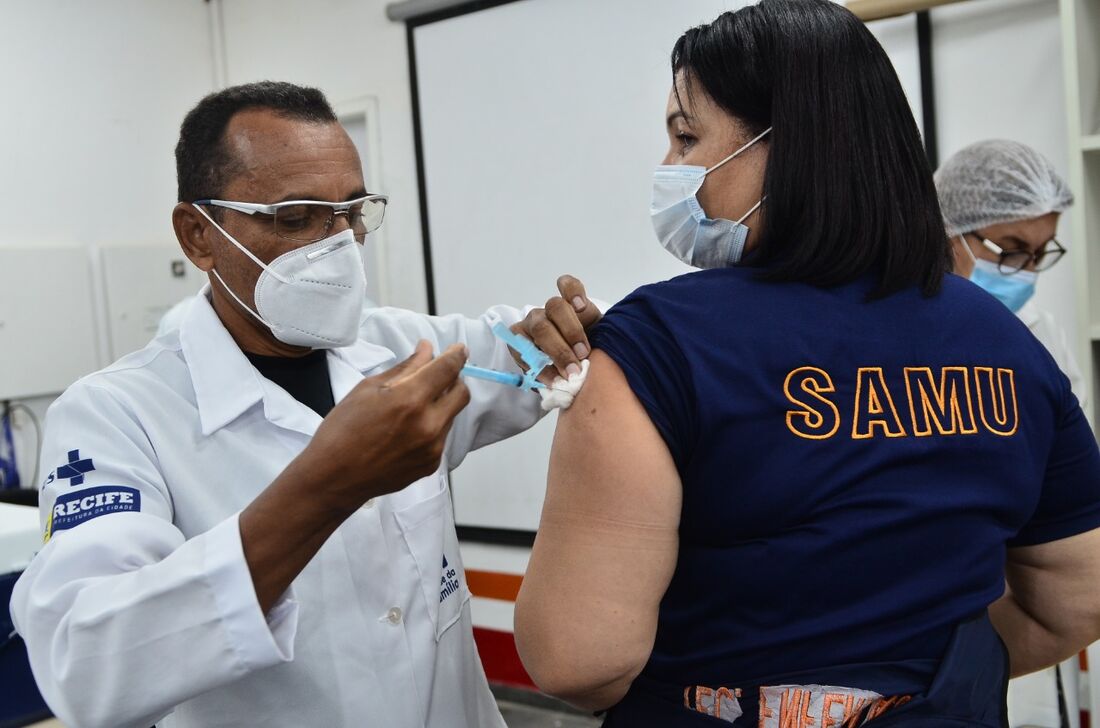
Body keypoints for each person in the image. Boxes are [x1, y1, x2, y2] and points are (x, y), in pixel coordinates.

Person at [513, 2, 1100, 727]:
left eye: (687, 136)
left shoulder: (658, 346)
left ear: (786, 146)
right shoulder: (1008, 345)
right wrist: (905, 688)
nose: (671, 169)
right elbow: (1075, 599)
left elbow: (578, 658)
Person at [9, 81, 599, 728]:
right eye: (297, 219)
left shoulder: (397, 348)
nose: (338, 244)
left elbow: (521, 343)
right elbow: (87, 666)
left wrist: (562, 332)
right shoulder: (116, 418)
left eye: (351, 213)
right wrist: (325, 486)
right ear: (199, 236)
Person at [937, 141, 1086, 727]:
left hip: (1020, 601)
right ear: (949, 227)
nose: (1023, 273)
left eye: (1039, 254)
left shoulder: (1036, 333)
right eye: (1011, 250)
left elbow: (1069, 473)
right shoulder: (893, 324)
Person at [937, 140, 1084, 407]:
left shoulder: (1042, 330)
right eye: (1011, 250)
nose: (1028, 271)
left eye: (1039, 253)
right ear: (951, 233)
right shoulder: (900, 329)